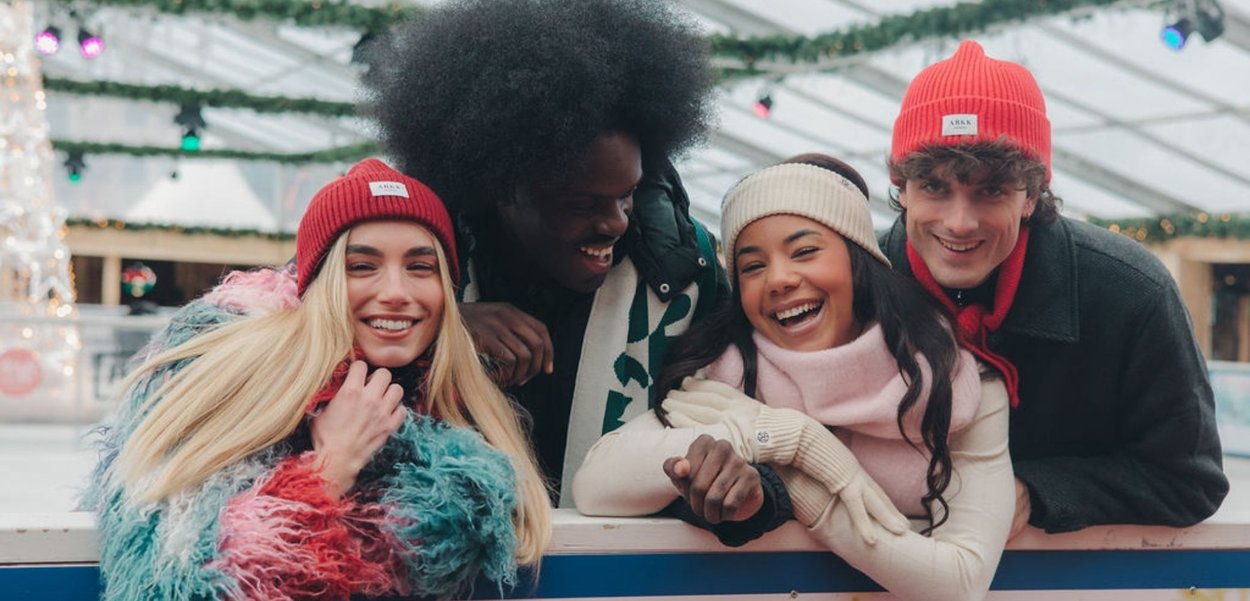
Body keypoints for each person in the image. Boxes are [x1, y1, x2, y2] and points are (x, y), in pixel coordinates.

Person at [83, 159, 551, 601]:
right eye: (361, 266)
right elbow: (173, 579)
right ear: (320, 285)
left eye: (420, 266)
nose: (395, 293)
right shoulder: (233, 377)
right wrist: (329, 467)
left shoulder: (461, 412)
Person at [575, 157, 1016, 601]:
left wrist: (804, 489)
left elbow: (958, 583)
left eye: (805, 251)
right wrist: (789, 436)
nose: (780, 279)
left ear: (857, 259)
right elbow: (596, 487)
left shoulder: (955, 381)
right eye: (752, 266)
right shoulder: (728, 375)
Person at [365, 0, 729, 506]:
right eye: (585, 204)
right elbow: (310, 341)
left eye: (628, 196)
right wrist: (444, 325)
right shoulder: (416, 253)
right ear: (506, 191)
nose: (617, 222)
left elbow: (733, 414)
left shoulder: (687, 269)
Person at [878, 39, 1228, 535]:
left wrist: (1032, 492)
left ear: (1031, 196)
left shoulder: (1132, 293)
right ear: (901, 187)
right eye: (934, 187)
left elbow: (1190, 480)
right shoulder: (857, 281)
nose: (959, 222)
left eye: (991, 190)